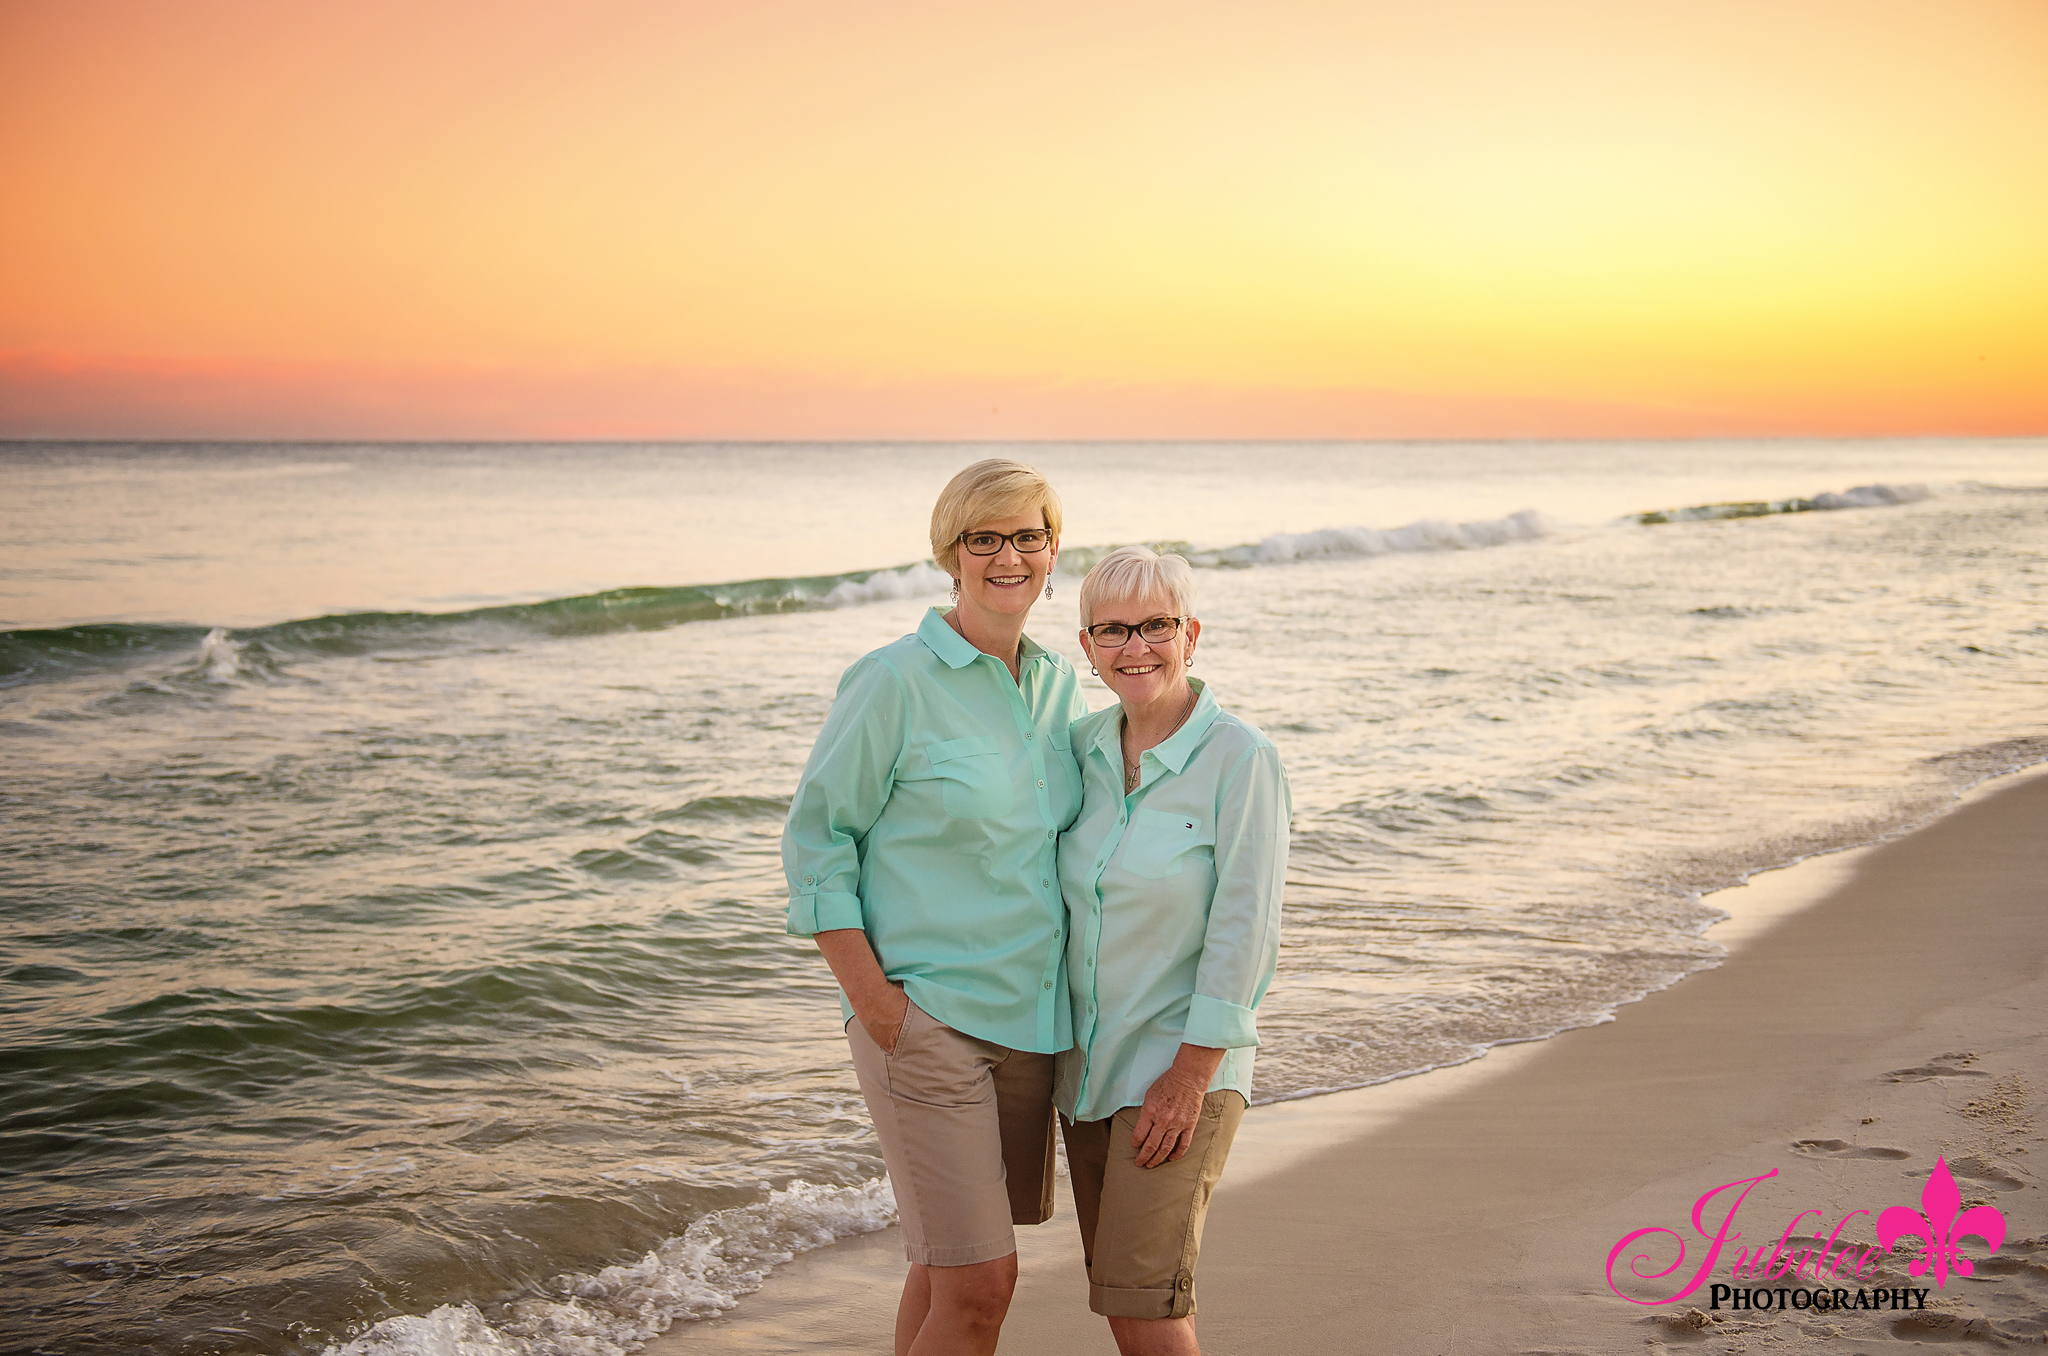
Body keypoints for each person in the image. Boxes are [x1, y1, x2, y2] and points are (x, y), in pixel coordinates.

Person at [781, 459, 1088, 1356]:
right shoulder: (891, 681)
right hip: (926, 1022)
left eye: (1026, 536)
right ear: (949, 554)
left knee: (942, 1267)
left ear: (1051, 551)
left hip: (1032, 1024)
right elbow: (816, 844)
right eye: (982, 538)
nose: (1007, 555)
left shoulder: (1061, 686)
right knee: (982, 1286)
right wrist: (880, 1008)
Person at [1057, 545, 1289, 1356]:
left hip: (1181, 1069)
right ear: (1084, 647)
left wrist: (1188, 1079)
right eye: (1112, 630)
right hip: (1087, 1074)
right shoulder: (1076, 751)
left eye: (1156, 625)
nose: (1136, 647)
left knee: (1145, 1299)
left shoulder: (1241, 759)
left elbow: (1247, 930)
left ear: (1192, 632)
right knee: (1121, 1294)